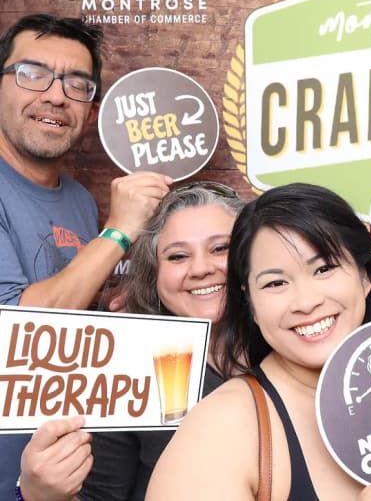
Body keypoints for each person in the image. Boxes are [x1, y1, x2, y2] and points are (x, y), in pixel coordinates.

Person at [146, 183, 371, 500]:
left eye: (324, 269)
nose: (306, 302)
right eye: (275, 283)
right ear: (250, 303)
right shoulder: (223, 428)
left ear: (365, 277)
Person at [0, 13, 171, 497]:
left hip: (56, 479)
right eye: (32, 74)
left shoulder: (76, 199)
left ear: (91, 111)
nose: (56, 95)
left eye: (77, 84)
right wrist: (119, 231)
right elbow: (21, 331)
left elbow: (70, 315)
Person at [17, 181, 246, 501]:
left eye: (220, 248)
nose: (200, 268)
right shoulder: (131, 367)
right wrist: (39, 494)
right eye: (178, 256)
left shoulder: (290, 346)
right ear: (155, 275)